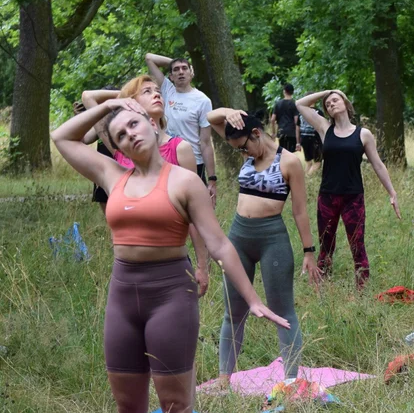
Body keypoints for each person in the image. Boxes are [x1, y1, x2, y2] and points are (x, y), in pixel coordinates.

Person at [50, 98, 288, 413]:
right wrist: (108, 104)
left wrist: (252, 300)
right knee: (127, 411)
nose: (130, 134)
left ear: (152, 124)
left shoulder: (184, 181)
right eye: (120, 134)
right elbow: (61, 136)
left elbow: (218, 244)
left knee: (176, 409)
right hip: (123, 297)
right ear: (115, 146)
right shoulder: (111, 174)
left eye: (134, 125)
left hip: (170, 297)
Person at [201, 107, 318, 393]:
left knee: (283, 311)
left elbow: (300, 211)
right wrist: (230, 113)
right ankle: (223, 380)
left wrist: (308, 251)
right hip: (238, 237)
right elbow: (210, 118)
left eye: (243, 147)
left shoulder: (289, 162)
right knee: (233, 311)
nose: (243, 153)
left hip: (272, 240)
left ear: (256, 134)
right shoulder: (245, 147)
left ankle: (290, 381)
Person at [82, 75, 210, 295]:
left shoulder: (179, 148)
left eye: (157, 91)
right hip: (128, 267)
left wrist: (202, 265)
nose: (157, 94)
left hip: (171, 262)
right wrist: (123, 99)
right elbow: (88, 97)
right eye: (147, 92)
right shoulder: (121, 148)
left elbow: (195, 217)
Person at [295, 89, 400, 290]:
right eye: (328, 104)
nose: (331, 104)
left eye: (335, 100)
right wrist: (328, 91)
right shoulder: (325, 128)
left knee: (357, 246)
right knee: (326, 246)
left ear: (345, 103)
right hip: (327, 196)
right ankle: (322, 289)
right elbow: (300, 104)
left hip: (353, 197)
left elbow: (377, 164)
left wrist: (392, 192)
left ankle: (362, 293)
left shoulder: (363, 134)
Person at [145, 53, 217, 205]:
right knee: (165, 204)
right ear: (170, 76)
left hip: (192, 161)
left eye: (185, 68)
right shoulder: (167, 90)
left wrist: (212, 178)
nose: (181, 72)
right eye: (176, 70)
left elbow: (205, 142)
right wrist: (175, 62)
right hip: (165, 158)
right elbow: (149, 57)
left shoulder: (203, 100)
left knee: (193, 206)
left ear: (191, 73)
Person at [271, 84, 300, 153]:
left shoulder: (278, 104)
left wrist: (273, 132)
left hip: (281, 132)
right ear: (292, 92)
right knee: (291, 154)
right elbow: (296, 121)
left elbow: (272, 119)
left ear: (284, 91)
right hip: (292, 132)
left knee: (283, 153)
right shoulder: (294, 104)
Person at [299, 107, 323, 175]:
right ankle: (309, 176)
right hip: (315, 139)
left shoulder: (301, 112)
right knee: (318, 161)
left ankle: (304, 177)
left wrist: (298, 142)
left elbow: (297, 127)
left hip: (303, 138)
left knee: (308, 161)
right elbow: (322, 125)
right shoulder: (318, 111)